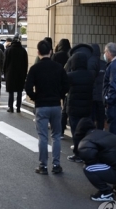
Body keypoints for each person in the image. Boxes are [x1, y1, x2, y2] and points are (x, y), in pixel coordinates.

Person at [25, 40, 69, 174]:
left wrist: (35, 97)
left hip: (41, 106)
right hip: (55, 105)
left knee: (43, 136)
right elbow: (66, 86)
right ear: (50, 51)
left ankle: (43, 166)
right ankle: (56, 165)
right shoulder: (58, 67)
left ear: (38, 52)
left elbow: (27, 87)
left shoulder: (35, 68)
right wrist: (59, 96)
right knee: (56, 136)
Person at [75, 118, 116, 201]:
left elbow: (89, 159)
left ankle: (106, 192)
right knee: (113, 160)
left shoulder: (87, 140)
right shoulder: (106, 134)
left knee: (88, 168)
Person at [66, 52, 95, 163]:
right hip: (87, 107)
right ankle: (86, 152)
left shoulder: (71, 76)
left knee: (76, 131)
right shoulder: (90, 75)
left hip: (73, 107)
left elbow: (65, 87)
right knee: (85, 130)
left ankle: (77, 154)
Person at [52, 39, 71, 138]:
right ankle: (65, 121)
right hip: (66, 82)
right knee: (66, 104)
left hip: (56, 82)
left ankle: (57, 122)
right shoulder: (70, 55)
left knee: (57, 103)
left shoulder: (56, 55)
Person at [4, 33, 28, 113]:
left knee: (11, 91)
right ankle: (18, 107)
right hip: (20, 74)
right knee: (19, 91)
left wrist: (5, 73)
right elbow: (26, 64)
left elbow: (5, 63)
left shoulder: (8, 50)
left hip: (10, 73)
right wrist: (25, 74)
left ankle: (11, 107)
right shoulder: (23, 50)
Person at [90, 43, 106, 130]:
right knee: (101, 117)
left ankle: (92, 133)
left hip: (91, 96)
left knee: (91, 117)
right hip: (101, 96)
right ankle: (100, 132)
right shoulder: (104, 64)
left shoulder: (89, 64)